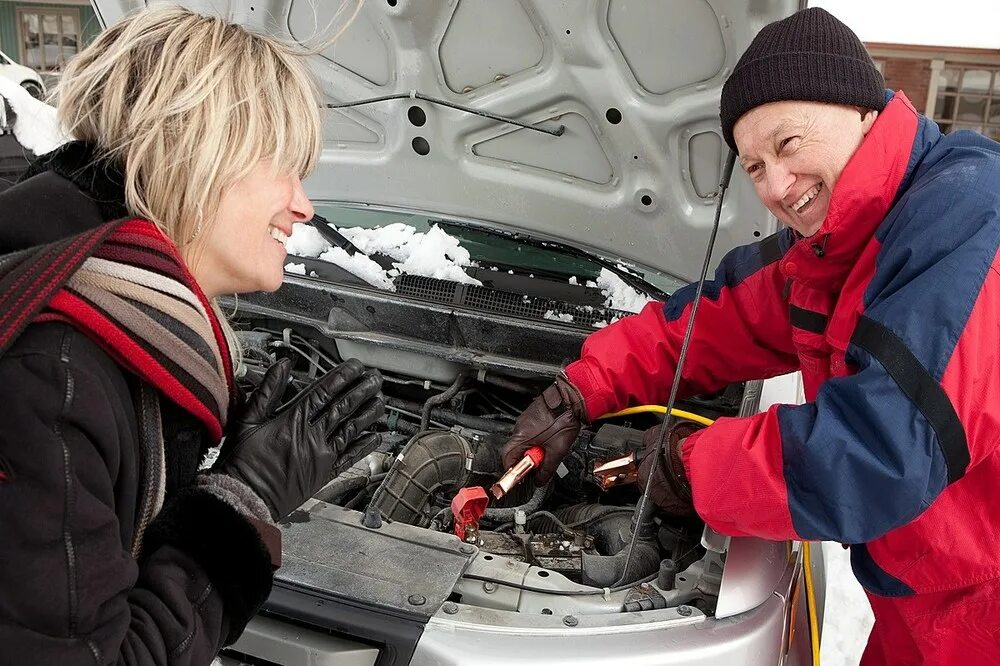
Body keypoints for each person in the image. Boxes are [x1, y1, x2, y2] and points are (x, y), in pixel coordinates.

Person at [502, 7, 1000, 664]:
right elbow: (717, 319)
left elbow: (879, 454)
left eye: (787, 145)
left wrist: (694, 463)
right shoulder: (840, 243)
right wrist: (582, 387)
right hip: (928, 596)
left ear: (861, 110)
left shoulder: (970, 223)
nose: (777, 186)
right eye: (755, 166)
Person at [0, 6, 385, 664]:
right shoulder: (52, 373)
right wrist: (241, 504)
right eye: (284, 167)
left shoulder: (116, 318)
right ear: (201, 154)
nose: (304, 205)